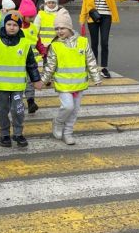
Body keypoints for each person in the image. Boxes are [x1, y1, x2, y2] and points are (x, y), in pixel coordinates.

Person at [0, 11, 42, 148]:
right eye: (9, 24)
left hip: (17, 87)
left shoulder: (25, 44)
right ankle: (4, 134)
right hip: (1, 86)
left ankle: (18, 133)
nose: (12, 27)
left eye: (15, 25)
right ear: (4, 25)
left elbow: (31, 64)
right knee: (3, 111)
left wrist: (36, 79)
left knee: (18, 110)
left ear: (19, 27)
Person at [41, 10, 102, 145]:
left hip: (79, 84)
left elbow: (90, 60)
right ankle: (58, 122)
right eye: (56, 29)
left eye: (62, 28)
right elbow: (50, 65)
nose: (59, 31)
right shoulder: (55, 45)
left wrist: (96, 77)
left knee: (74, 111)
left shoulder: (82, 42)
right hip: (63, 84)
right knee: (68, 107)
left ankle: (68, 133)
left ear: (69, 27)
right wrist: (43, 80)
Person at [79, 0, 133, 78]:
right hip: (92, 17)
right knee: (94, 43)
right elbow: (84, 2)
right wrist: (82, 18)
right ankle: (93, 68)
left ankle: (104, 68)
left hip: (106, 17)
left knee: (104, 42)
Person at [18, 0, 45, 114]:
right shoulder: (16, 27)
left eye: (33, 16)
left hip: (31, 61)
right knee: (19, 82)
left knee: (30, 81)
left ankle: (30, 102)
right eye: (30, 17)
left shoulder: (34, 28)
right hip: (18, 61)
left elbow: (38, 41)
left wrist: (43, 50)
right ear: (23, 16)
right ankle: (17, 102)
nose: (32, 18)